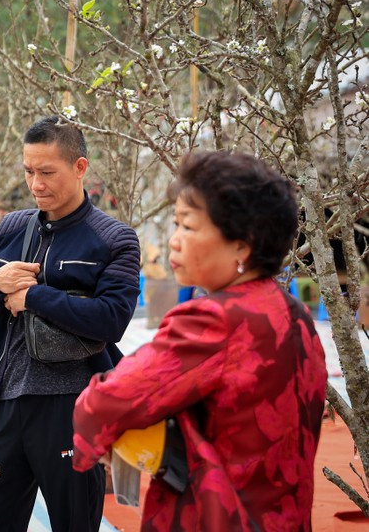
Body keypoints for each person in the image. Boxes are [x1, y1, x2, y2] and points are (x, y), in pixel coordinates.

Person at [72, 151, 328, 531]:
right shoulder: (294, 314)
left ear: (243, 243)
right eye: (176, 225)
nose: (173, 242)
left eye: (188, 227)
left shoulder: (213, 320)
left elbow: (101, 406)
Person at [0, 115, 141, 531]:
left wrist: (34, 297)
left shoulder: (114, 238)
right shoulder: (12, 228)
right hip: (6, 401)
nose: (36, 184)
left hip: (72, 406)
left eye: (47, 172)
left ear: (80, 167)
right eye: (29, 171)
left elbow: (111, 321)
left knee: (75, 523)